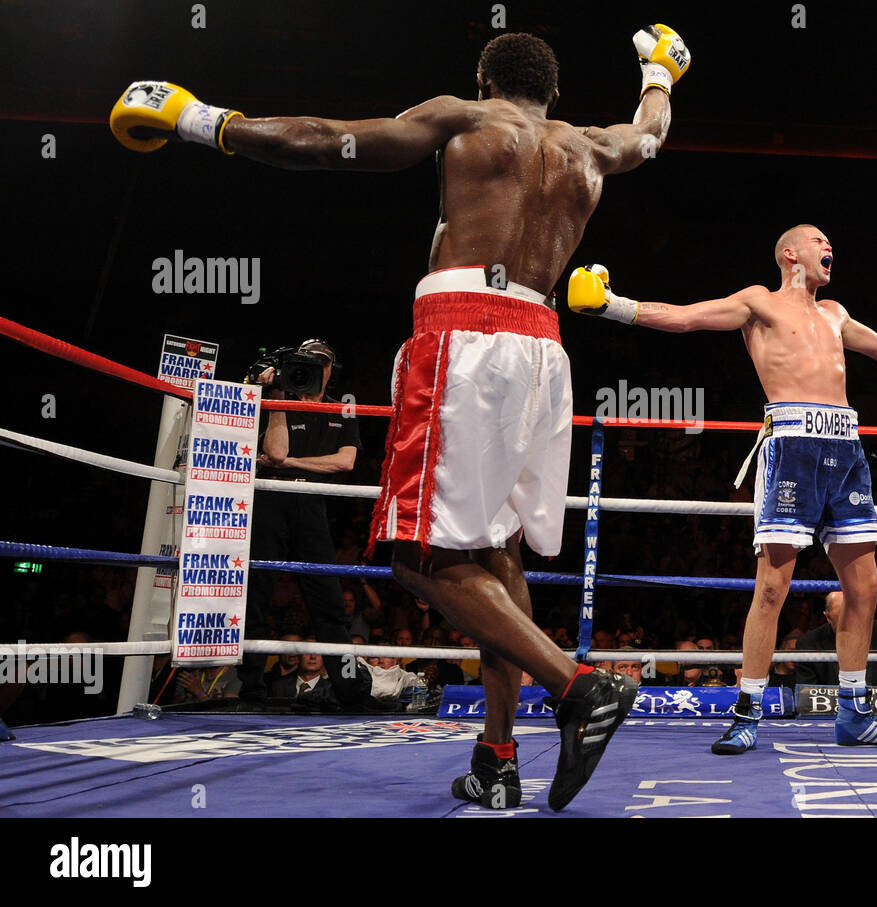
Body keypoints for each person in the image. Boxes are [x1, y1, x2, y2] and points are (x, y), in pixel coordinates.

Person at [109, 26, 691, 811]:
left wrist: (200, 118)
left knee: (415, 557)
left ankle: (579, 686)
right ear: (554, 94)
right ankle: (497, 757)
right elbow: (650, 133)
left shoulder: (466, 118)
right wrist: (659, 71)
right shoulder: (591, 146)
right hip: (545, 352)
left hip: (464, 338)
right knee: (496, 552)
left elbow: (328, 143)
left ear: (486, 80)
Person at [570, 224, 877, 753]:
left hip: (845, 449)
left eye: (830, 242)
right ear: (789, 253)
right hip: (792, 447)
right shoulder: (759, 303)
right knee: (773, 586)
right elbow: (686, 318)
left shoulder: (835, 312)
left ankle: (854, 713)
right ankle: (748, 710)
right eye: (819, 241)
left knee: (864, 588)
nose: (829, 248)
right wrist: (610, 305)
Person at [238, 339, 368, 709]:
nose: (314, 367)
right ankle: (251, 690)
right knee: (257, 594)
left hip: (311, 505)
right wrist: (278, 395)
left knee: (329, 601)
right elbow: (275, 451)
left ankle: (347, 688)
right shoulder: (273, 400)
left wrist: (291, 464)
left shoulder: (343, 407)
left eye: (321, 362)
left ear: (331, 368)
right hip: (269, 501)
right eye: (307, 361)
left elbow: (345, 463)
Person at [795, 591, 877, 688]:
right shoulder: (808, 644)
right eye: (843, 621)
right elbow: (807, 694)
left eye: (854, 616)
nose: (850, 624)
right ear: (828, 618)